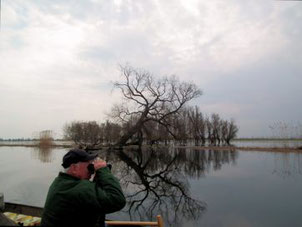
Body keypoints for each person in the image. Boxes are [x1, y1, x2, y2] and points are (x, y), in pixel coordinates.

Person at [41, 149, 126, 226]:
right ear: (74, 168)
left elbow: (93, 201)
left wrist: (98, 177)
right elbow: (117, 200)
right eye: (89, 167)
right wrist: (103, 170)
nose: (91, 172)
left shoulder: (60, 182)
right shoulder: (78, 189)